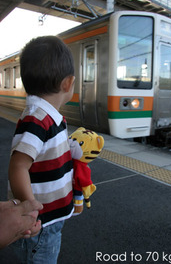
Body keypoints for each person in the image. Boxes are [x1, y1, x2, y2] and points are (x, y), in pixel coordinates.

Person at [8, 36, 81, 263]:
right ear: (67, 84)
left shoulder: (49, 117)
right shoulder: (37, 119)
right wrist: (31, 213)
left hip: (50, 219)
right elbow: (18, 167)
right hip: (41, 224)